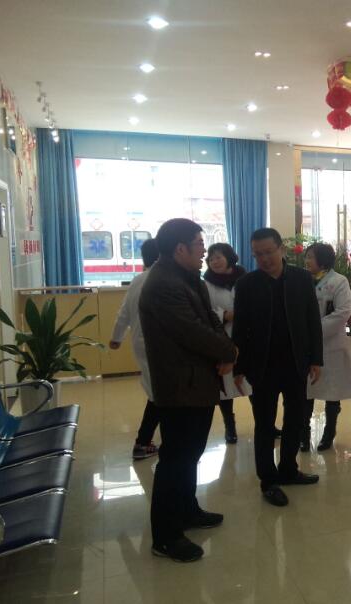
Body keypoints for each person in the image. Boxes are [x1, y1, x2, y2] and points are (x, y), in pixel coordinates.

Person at [139, 218, 238, 562]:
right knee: (175, 459)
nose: (203, 250)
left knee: (191, 453)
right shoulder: (164, 284)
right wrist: (230, 351)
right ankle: (166, 536)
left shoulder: (187, 277)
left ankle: (186, 510)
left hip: (197, 384)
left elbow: (210, 320)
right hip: (180, 386)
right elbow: (192, 331)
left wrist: (225, 349)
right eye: (198, 244)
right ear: (179, 248)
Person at [232, 228, 323, 506]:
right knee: (265, 425)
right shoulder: (247, 284)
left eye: (269, 252)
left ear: (281, 249)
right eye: (258, 254)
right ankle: (268, 481)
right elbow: (240, 329)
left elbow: (312, 320)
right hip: (262, 367)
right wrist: (238, 367)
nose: (264, 259)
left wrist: (316, 359)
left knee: (295, 420)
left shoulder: (301, 278)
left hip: (296, 363)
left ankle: (288, 470)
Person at [301, 243, 351, 452]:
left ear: (323, 259)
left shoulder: (338, 281)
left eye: (311, 257)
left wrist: (314, 330)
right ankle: (303, 433)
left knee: (332, 391)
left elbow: (343, 311)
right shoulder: (302, 280)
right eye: (306, 257)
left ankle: (329, 432)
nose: (307, 261)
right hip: (306, 345)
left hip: (331, 344)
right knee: (306, 392)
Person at [109, 238, 161, 460]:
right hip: (158, 345)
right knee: (159, 395)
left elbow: (124, 313)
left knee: (156, 392)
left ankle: (147, 440)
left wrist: (116, 337)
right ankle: (142, 443)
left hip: (141, 343)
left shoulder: (138, 280)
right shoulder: (164, 279)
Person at [203, 242, 247, 444]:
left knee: (253, 381)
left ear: (229, 257)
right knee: (225, 386)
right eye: (211, 259)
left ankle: (266, 424)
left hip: (247, 336)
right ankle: (230, 426)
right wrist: (225, 315)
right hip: (222, 337)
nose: (215, 262)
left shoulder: (245, 279)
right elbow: (204, 310)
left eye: (218, 257)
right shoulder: (206, 284)